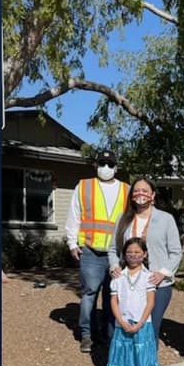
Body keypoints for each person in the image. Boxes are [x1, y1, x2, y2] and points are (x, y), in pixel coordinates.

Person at [65, 150, 131, 353]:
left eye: (110, 164)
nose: (106, 167)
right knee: (89, 294)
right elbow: (74, 215)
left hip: (117, 254)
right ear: (96, 165)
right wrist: (72, 243)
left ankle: (108, 333)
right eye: (102, 163)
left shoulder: (127, 190)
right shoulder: (84, 186)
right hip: (91, 251)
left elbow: (131, 221)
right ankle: (87, 334)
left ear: (116, 167)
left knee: (113, 295)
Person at [108, 177, 183, 346]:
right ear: (131, 195)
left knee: (150, 329)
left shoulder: (166, 219)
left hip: (156, 285)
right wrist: (114, 266)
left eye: (145, 191)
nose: (140, 194)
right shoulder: (123, 218)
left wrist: (163, 273)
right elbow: (113, 249)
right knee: (124, 328)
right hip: (128, 284)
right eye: (136, 191)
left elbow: (176, 252)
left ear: (153, 195)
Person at [102, 237, 163, 366]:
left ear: (144, 254)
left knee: (141, 356)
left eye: (137, 252)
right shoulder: (118, 277)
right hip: (123, 324)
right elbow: (114, 301)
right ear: (124, 255)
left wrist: (140, 323)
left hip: (142, 324)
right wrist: (121, 321)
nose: (133, 255)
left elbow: (150, 302)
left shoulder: (148, 277)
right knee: (125, 357)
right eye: (129, 252)